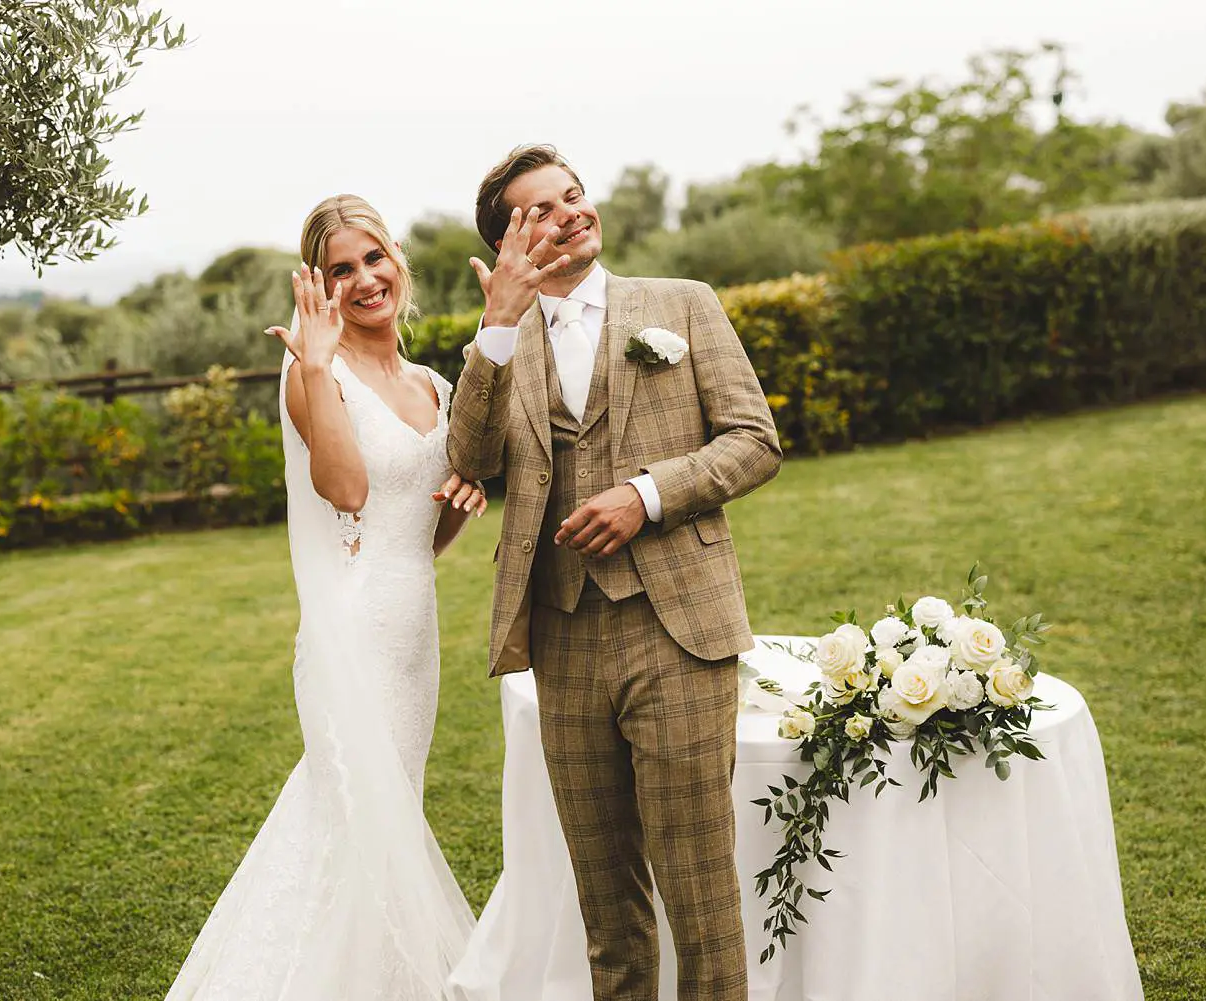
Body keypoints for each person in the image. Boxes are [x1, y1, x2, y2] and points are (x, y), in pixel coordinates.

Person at [447, 145, 783, 1001]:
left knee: (700, 890)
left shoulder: (681, 305)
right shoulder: (498, 346)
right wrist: (496, 324)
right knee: (607, 902)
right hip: (563, 638)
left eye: (574, 195)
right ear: (512, 243)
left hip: (679, 627)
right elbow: (471, 457)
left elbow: (754, 441)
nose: (573, 213)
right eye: (543, 210)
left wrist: (648, 494)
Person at [163, 194, 485, 1001]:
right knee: (351, 816)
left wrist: (459, 506)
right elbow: (345, 490)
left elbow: (418, 535)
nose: (365, 278)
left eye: (374, 257)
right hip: (352, 634)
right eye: (343, 268)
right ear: (321, 285)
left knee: (389, 810)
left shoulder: (432, 385)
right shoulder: (314, 372)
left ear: (398, 257)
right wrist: (313, 363)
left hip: (414, 632)